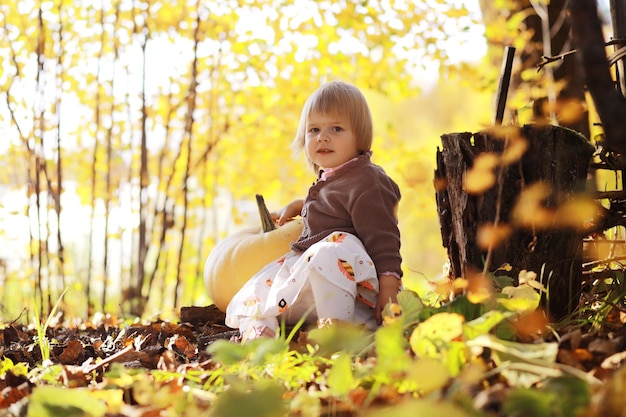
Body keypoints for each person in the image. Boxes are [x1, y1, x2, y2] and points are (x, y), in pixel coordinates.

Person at [225, 80, 403, 342]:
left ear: (360, 135)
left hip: (355, 287)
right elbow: (334, 203)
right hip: (318, 280)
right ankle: (260, 337)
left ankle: (335, 334)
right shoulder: (332, 177)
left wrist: (389, 289)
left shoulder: (368, 181)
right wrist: (301, 206)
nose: (323, 137)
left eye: (337, 128)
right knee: (254, 289)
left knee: (332, 248)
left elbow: (384, 236)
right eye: (314, 129)